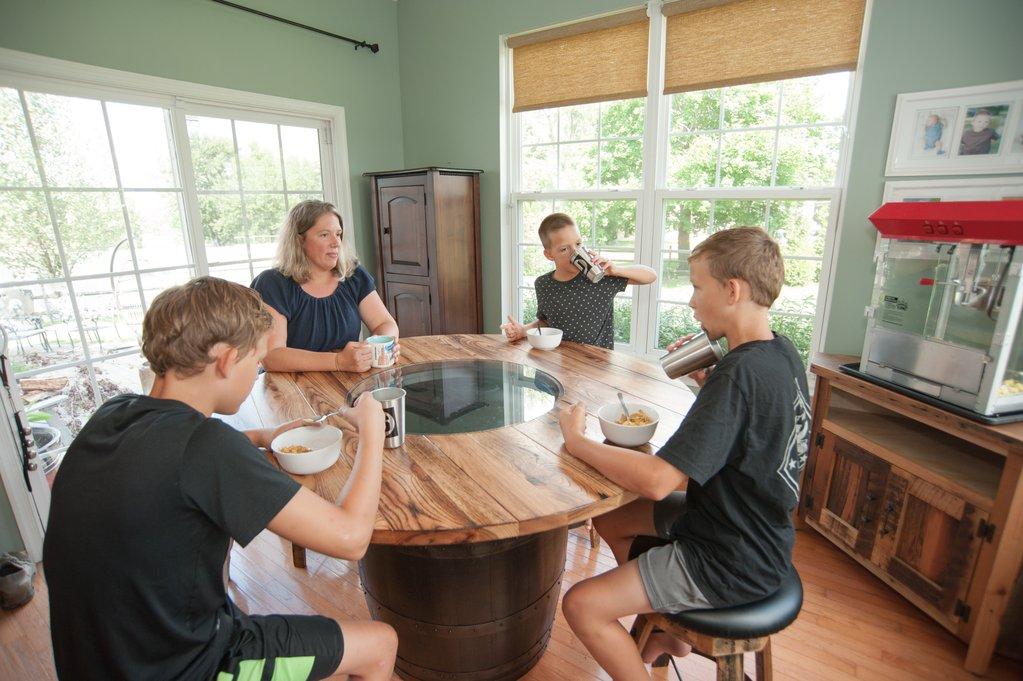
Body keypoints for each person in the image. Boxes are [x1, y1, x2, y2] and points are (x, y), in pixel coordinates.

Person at [43, 277, 397, 681]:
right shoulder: (206, 445)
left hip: (99, 659)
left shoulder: (113, 414)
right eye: (256, 362)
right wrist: (372, 430)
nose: (257, 372)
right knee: (379, 644)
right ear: (228, 360)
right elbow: (351, 540)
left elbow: (183, 457)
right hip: (185, 666)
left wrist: (263, 437)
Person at [556, 227, 811, 679]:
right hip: (761, 533)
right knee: (613, 516)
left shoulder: (738, 375)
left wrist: (578, 442)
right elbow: (751, 429)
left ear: (732, 290)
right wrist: (708, 386)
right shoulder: (782, 353)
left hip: (727, 559)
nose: (691, 301)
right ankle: (668, 632)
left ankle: (660, 618)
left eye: (697, 287)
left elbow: (657, 481)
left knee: (580, 604)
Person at [252, 200, 399, 372]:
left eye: (338, 234)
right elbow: (272, 356)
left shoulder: (354, 275)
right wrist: (338, 361)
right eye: (324, 235)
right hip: (290, 389)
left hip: (346, 382)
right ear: (299, 240)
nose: (336, 242)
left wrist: (377, 348)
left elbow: (386, 324)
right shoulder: (273, 283)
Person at [500, 213, 656, 349]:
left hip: (596, 366)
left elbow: (650, 276)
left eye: (578, 244)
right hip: (557, 362)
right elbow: (547, 322)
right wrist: (522, 331)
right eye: (564, 249)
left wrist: (616, 270)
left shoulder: (600, 278)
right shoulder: (543, 284)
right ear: (549, 255)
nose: (575, 253)